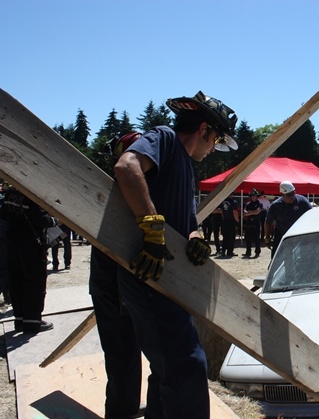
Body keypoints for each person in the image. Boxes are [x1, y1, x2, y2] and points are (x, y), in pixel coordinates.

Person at [114, 90, 237, 418]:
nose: (213, 149)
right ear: (203, 131)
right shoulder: (164, 138)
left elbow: (188, 221)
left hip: (167, 280)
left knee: (169, 368)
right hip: (148, 273)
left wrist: (195, 236)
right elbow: (127, 166)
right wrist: (151, 228)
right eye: (216, 141)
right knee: (187, 365)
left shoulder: (186, 168)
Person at [90, 131, 143, 418]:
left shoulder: (128, 187)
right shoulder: (120, 188)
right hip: (113, 282)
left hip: (119, 280)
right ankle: (121, 411)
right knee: (122, 351)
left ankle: (127, 406)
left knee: (127, 349)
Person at [1, 186, 57, 333]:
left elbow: (4, 214)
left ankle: (19, 320)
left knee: (17, 281)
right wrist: (56, 221)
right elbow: (40, 219)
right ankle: (32, 322)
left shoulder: (10, 193)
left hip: (12, 241)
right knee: (35, 282)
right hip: (31, 244)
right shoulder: (32, 194)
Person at [264, 180, 312, 258]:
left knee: (304, 258)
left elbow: (312, 215)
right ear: (283, 194)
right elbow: (268, 222)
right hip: (282, 235)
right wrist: (267, 237)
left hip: (299, 235)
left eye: (293, 193)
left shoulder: (302, 201)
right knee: (276, 258)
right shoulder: (276, 206)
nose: (292, 197)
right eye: (289, 195)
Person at [243, 189, 263, 258]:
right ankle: (248, 252)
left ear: (257, 197)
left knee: (257, 238)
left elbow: (257, 212)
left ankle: (257, 252)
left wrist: (250, 212)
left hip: (256, 222)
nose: (253, 197)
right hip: (249, 223)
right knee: (248, 238)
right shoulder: (248, 204)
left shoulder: (259, 204)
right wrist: (252, 212)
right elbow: (244, 213)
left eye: (255, 196)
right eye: (252, 196)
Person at [220, 191, 240, 258]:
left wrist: (223, 219)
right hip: (231, 221)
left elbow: (222, 212)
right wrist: (237, 220)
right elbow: (234, 212)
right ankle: (229, 252)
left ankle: (223, 251)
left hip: (224, 221)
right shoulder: (233, 202)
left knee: (225, 237)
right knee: (231, 237)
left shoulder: (223, 202)